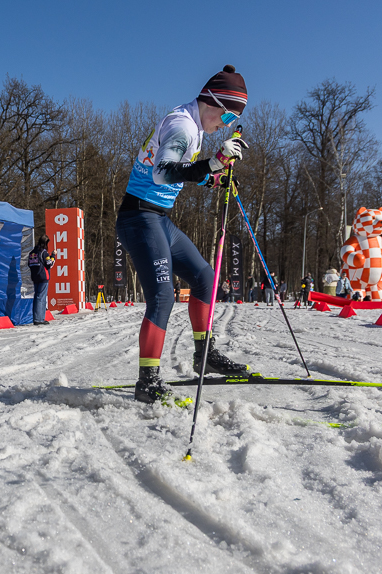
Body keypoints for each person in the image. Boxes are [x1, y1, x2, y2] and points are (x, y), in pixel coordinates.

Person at [116, 64, 251, 404]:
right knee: (163, 296)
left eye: (232, 123)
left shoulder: (194, 126)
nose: (226, 126)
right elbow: (163, 174)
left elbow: (182, 172)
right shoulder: (182, 126)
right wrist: (213, 164)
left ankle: (203, 354)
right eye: (229, 118)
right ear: (215, 103)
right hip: (140, 217)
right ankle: (147, 381)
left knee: (204, 276)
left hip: (159, 218)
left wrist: (214, 177)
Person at [27, 234, 54, 325]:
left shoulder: (32, 252)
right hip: (43, 277)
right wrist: (53, 256)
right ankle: (39, 319)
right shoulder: (44, 253)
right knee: (41, 298)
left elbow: (29, 264)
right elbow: (49, 264)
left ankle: (38, 317)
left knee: (37, 297)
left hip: (35, 277)